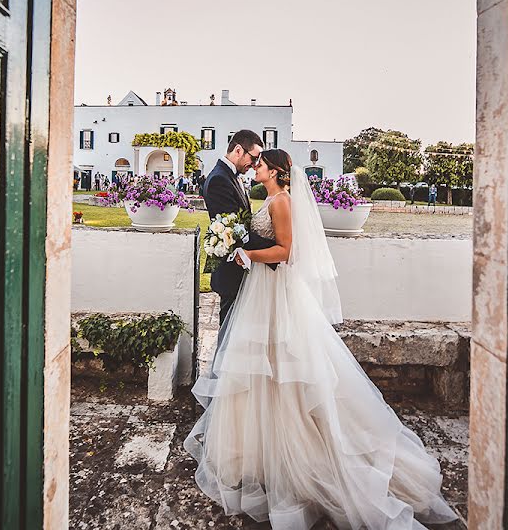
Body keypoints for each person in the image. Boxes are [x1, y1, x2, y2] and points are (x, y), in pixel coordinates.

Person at [185, 149, 457, 530]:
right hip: (264, 290)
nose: (256, 166)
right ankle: (259, 454)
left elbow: (286, 250)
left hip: (275, 292)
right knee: (263, 369)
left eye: (261, 164)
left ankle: (295, 456)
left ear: (277, 172)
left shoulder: (281, 201)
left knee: (282, 368)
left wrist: (246, 253)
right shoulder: (273, 198)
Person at [201, 129, 277, 326]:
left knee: (237, 328)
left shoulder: (231, 176)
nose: (254, 165)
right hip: (230, 269)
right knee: (229, 329)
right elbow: (236, 233)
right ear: (238, 150)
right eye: (253, 158)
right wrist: (277, 251)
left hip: (239, 265)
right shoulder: (220, 179)